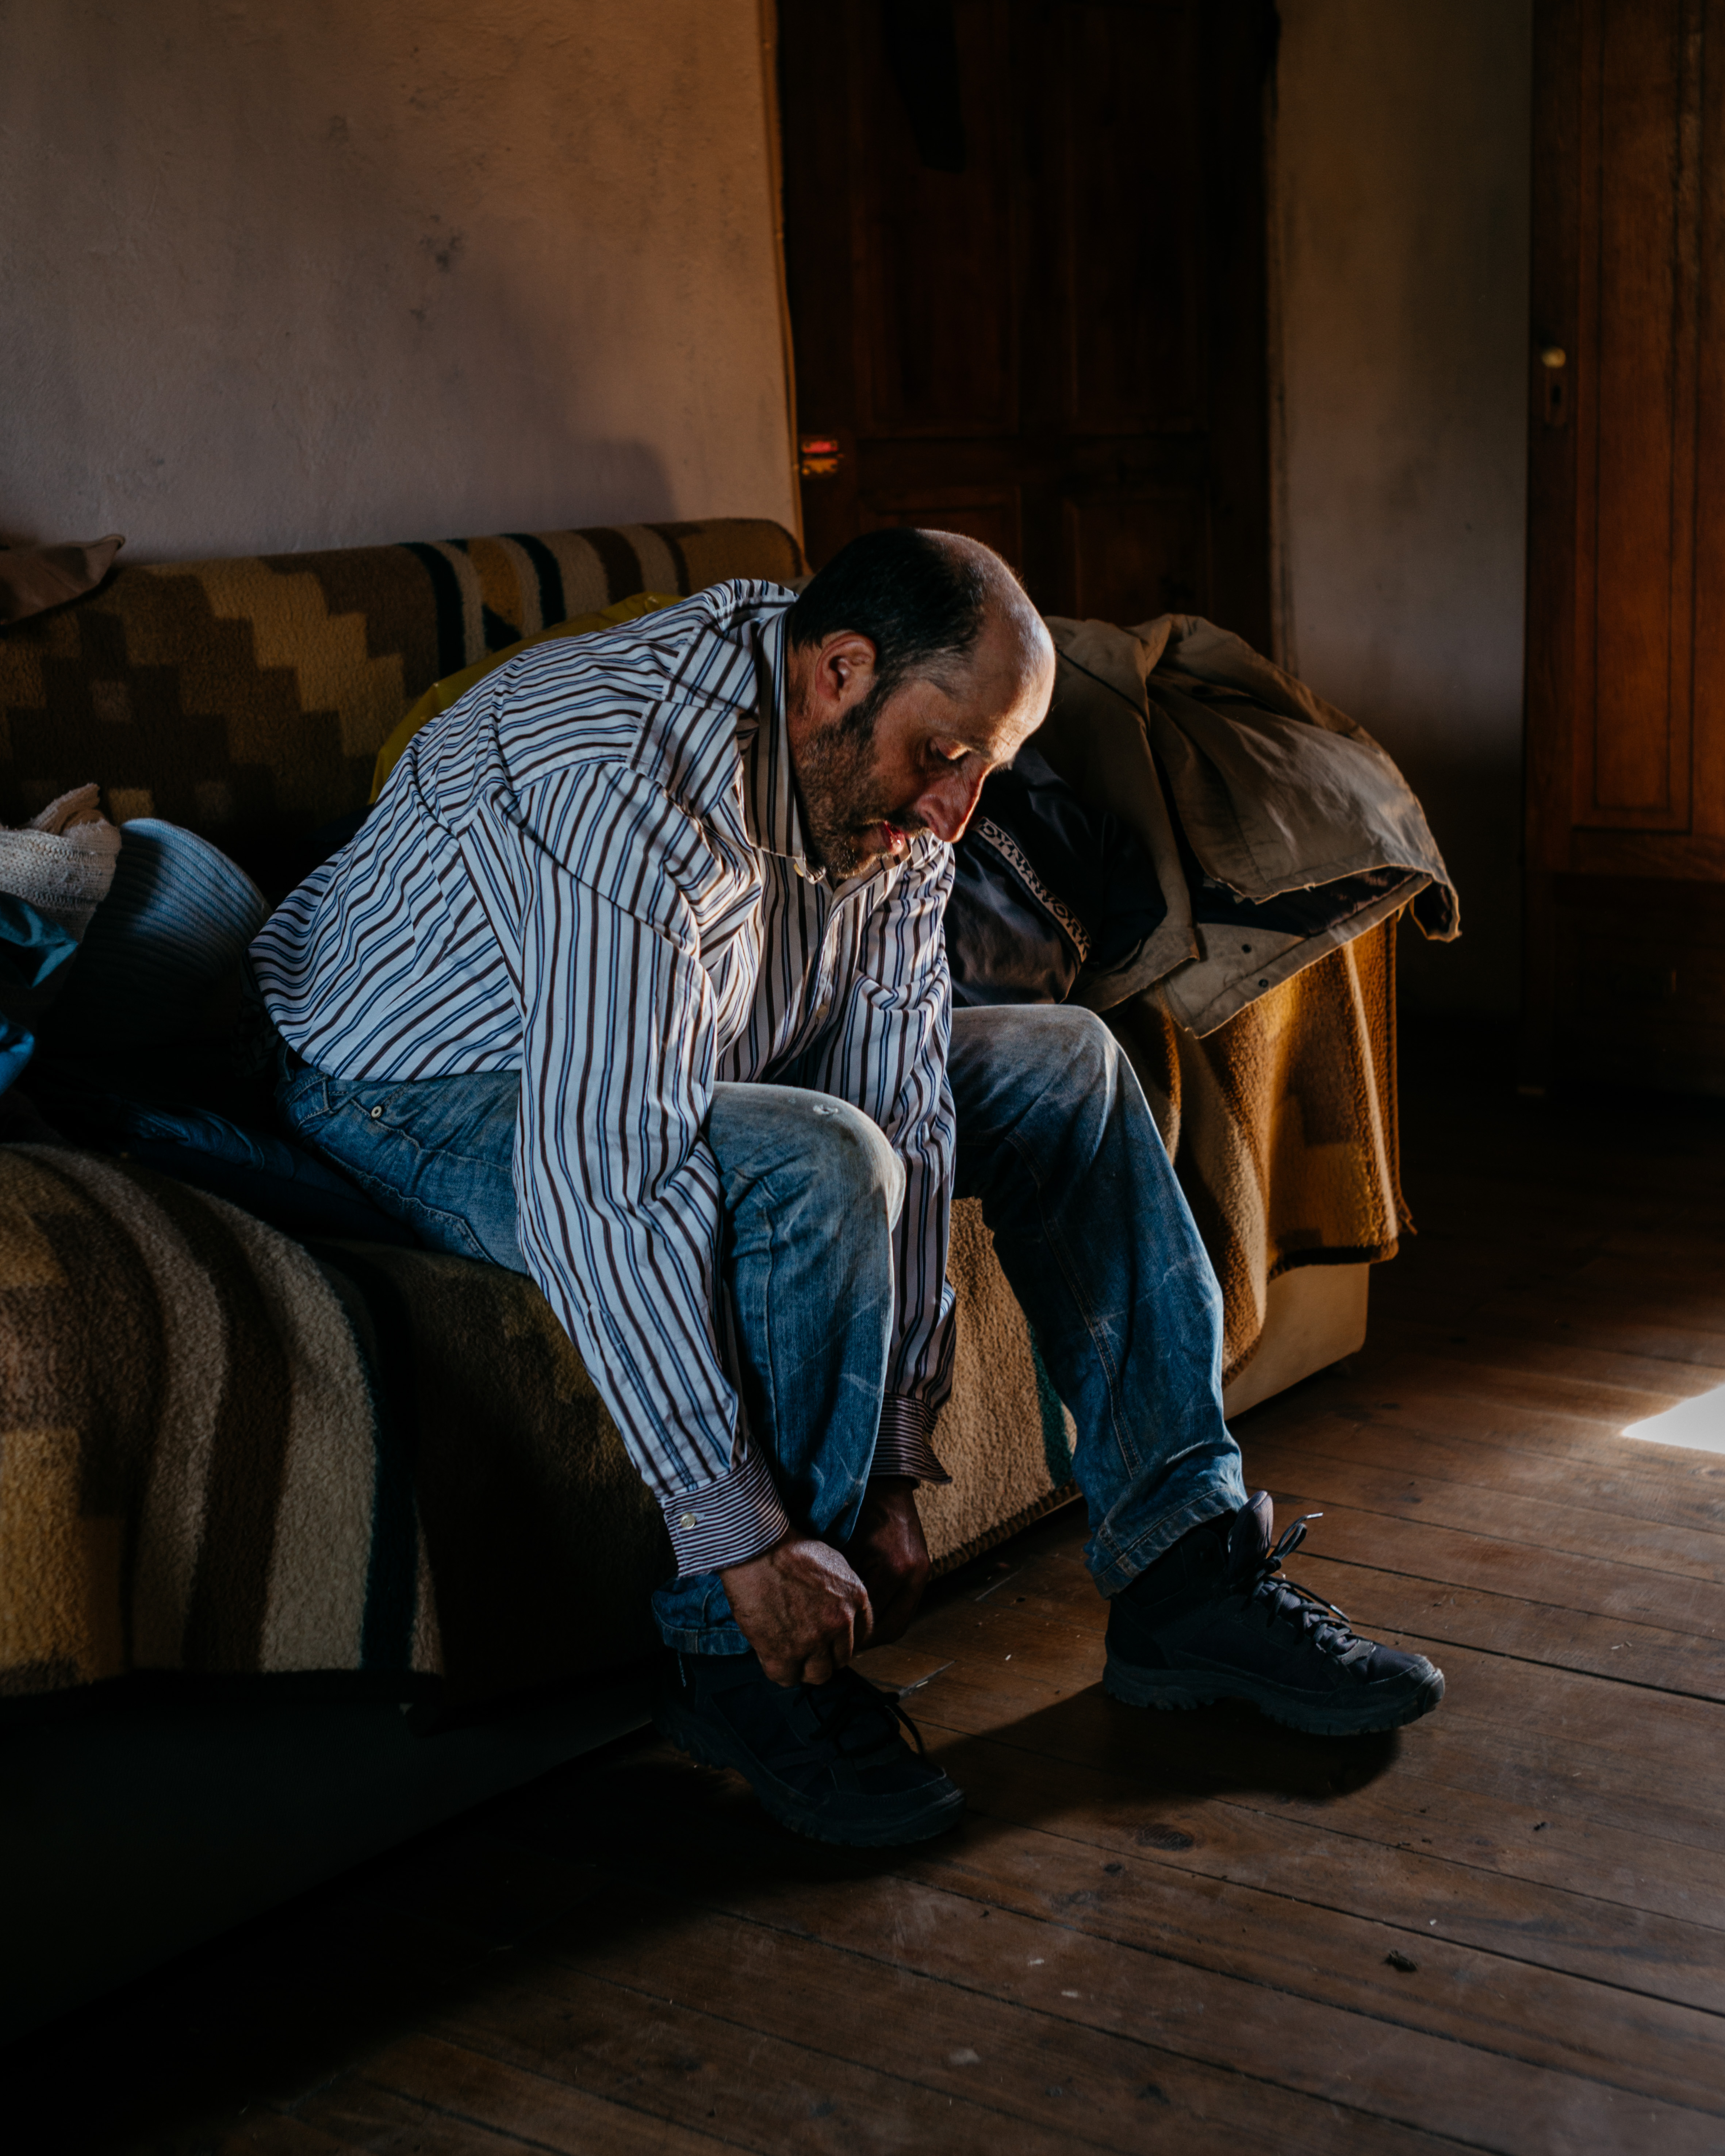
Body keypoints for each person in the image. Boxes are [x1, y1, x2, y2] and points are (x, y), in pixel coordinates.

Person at [252, 529, 1443, 1849]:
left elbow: (902, 1092)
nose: (957, 815)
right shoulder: (626, 779)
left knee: (1073, 1068)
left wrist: (891, 1461)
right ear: (840, 672)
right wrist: (745, 1542)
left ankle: (1183, 1569)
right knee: (818, 1163)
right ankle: (741, 1661)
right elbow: (610, 1182)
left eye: (985, 771)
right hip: (410, 1079)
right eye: (946, 756)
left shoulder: (894, 784)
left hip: (686, 1045)